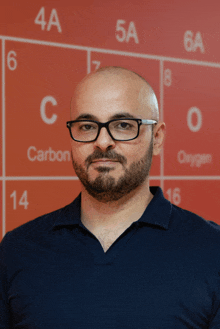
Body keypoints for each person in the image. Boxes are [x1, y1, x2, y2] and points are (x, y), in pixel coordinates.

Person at [0, 66, 220, 328]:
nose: (102, 142)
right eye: (87, 126)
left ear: (157, 138)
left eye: (124, 125)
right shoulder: (17, 250)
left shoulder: (212, 250)